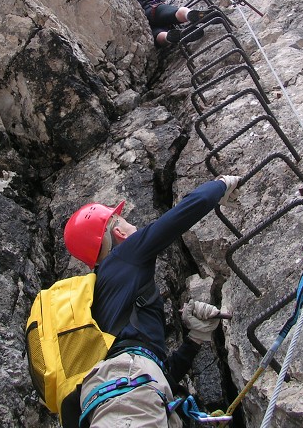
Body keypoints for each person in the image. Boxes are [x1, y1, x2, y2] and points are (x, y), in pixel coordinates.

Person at [64, 175, 240, 427]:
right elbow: (180, 215)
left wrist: (195, 339)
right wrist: (221, 185)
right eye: (125, 220)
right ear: (118, 231)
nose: (132, 225)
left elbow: (156, 371)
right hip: (128, 393)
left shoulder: (99, 297)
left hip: (115, 393)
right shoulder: (126, 255)